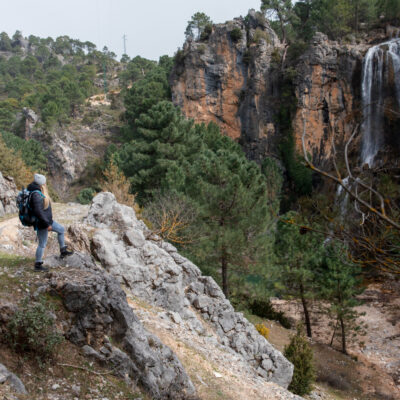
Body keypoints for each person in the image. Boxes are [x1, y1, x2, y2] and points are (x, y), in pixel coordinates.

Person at [27, 173, 73, 272]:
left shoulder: (38, 191)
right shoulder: (36, 194)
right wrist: (47, 224)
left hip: (48, 221)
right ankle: (38, 265)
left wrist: (48, 222)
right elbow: (38, 212)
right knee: (42, 244)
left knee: (61, 229)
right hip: (43, 223)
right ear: (42, 184)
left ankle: (63, 251)